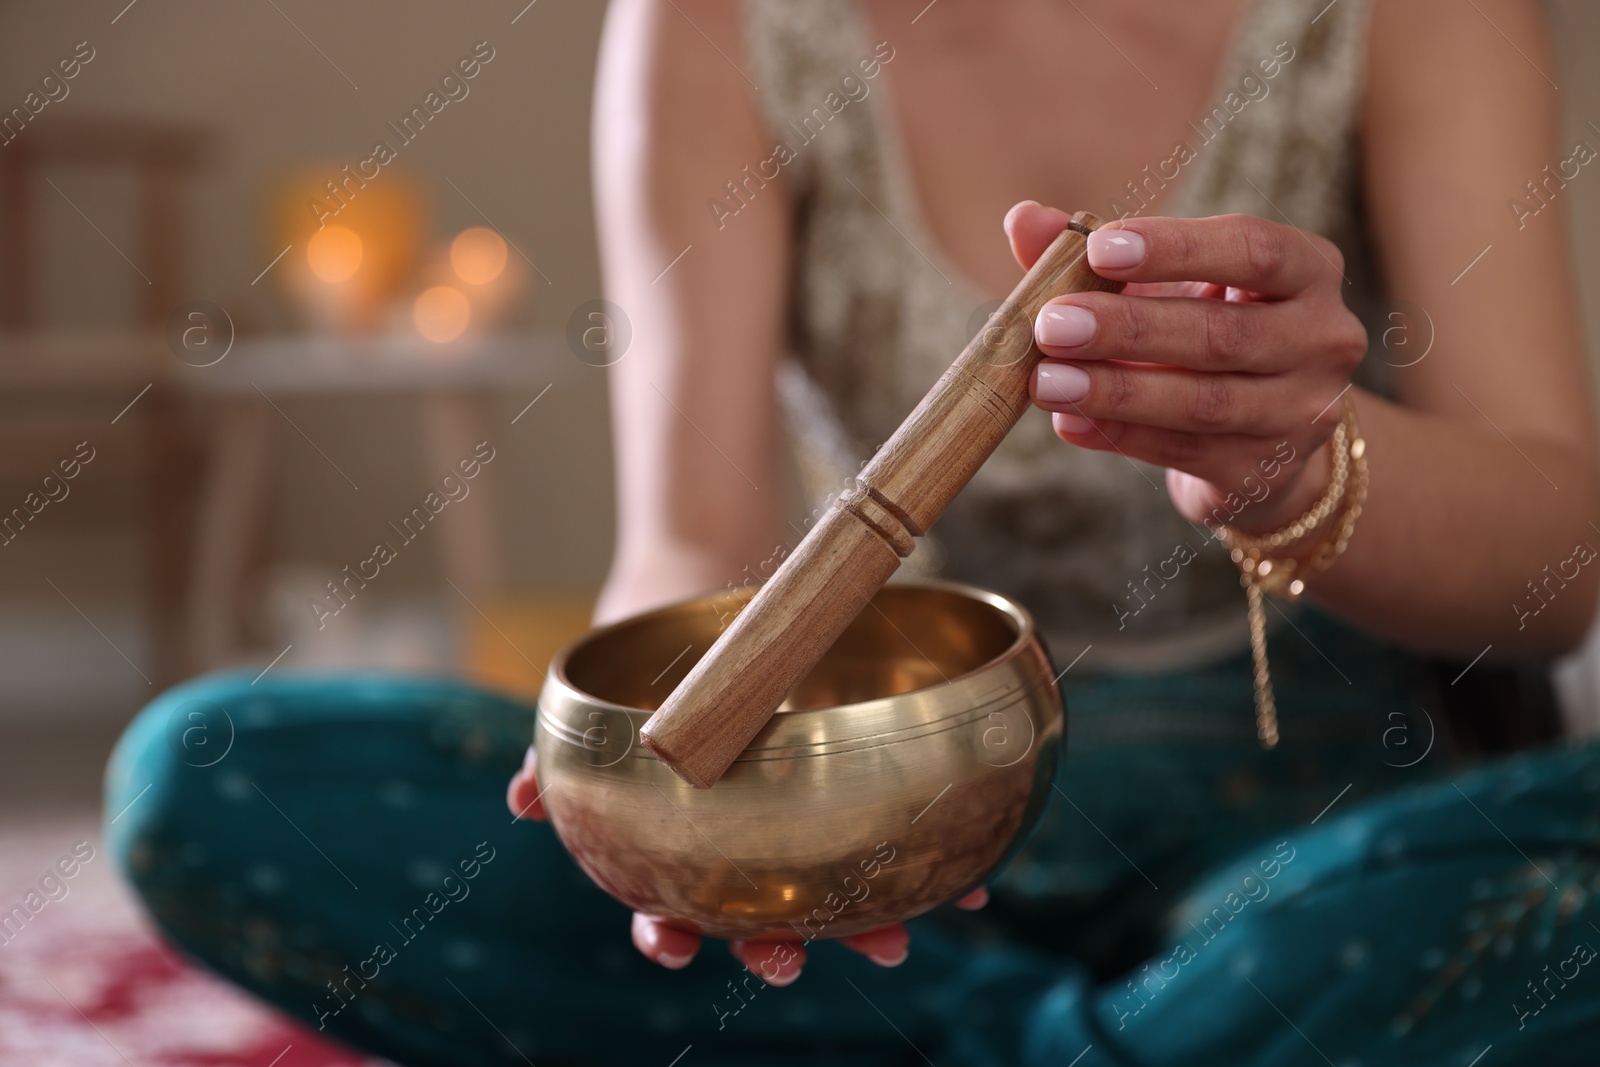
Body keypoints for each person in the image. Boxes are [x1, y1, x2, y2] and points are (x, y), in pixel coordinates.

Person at [107, 0, 1600, 1064]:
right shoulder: (719, 20)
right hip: (879, 823)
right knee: (215, 782)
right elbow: (693, 539)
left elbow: (1557, 580)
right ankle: (1141, 1040)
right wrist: (663, 792)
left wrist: (1294, 467)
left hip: (1312, 822)